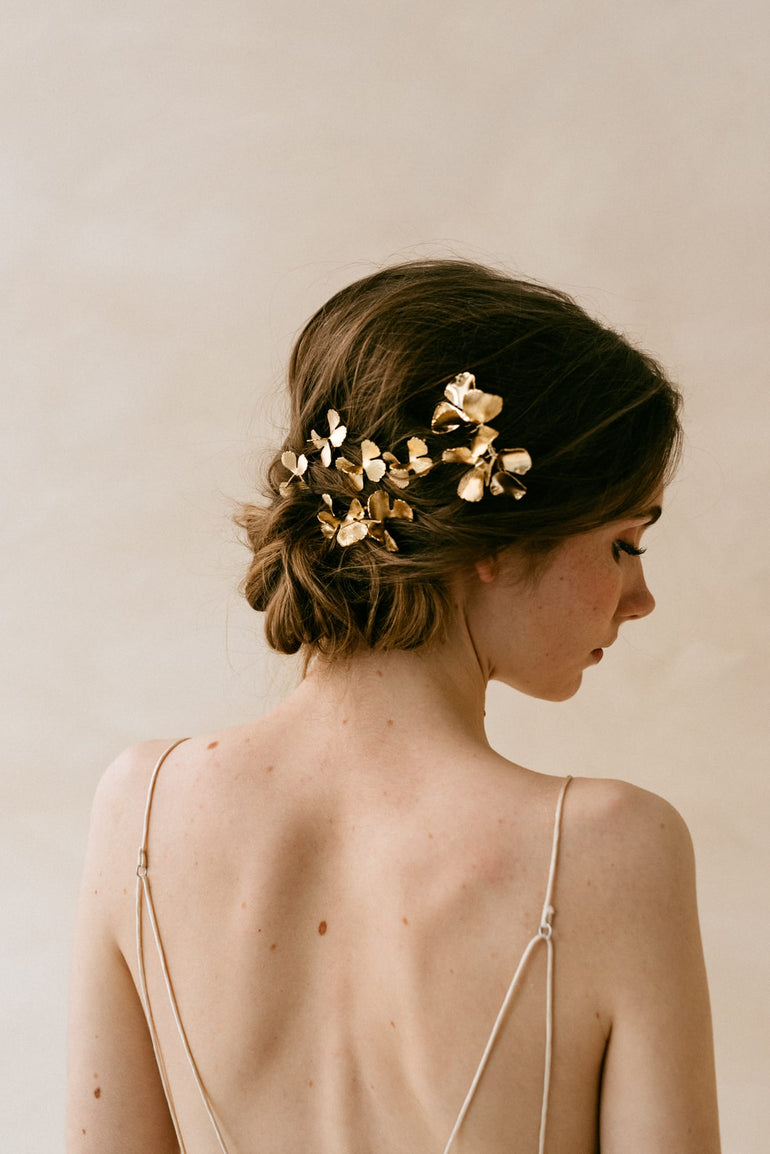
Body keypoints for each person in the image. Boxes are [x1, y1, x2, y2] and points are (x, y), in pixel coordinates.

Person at [67, 259, 721, 1153]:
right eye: (623, 542)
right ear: (491, 539)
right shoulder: (613, 851)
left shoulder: (140, 808)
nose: (639, 596)